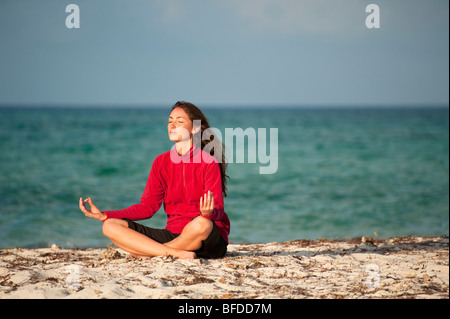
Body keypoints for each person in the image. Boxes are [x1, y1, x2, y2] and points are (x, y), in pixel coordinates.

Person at [79, 101, 230, 259]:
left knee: (202, 223)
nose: (172, 125)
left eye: (180, 121)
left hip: (208, 240)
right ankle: (172, 252)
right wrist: (105, 215)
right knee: (110, 226)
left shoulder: (208, 162)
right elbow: (147, 208)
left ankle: (150, 251)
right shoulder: (161, 162)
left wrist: (209, 212)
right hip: (173, 234)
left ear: (195, 128)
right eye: (170, 121)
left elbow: (218, 210)